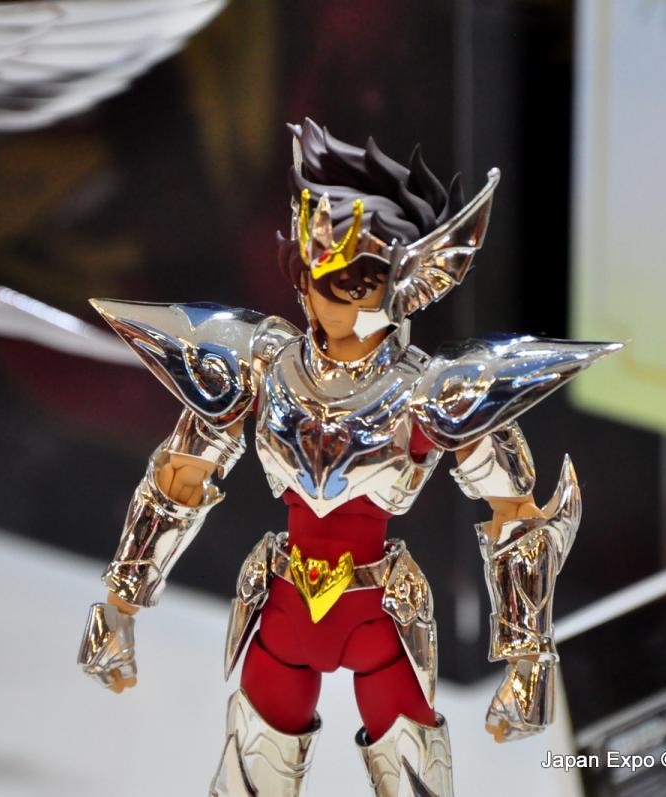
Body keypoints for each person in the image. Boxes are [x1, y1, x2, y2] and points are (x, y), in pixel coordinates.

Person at [78, 119, 618, 796]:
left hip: (379, 617)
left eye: (353, 283)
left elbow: (516, 513)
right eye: (319, 274)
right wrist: (118, 608)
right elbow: (178, 479)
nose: (329, 295)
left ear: (399, 285)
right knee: (249, 781)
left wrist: (529, 659)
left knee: (415, 781)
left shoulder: (430, 392)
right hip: (281, 608)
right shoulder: (260, 367)